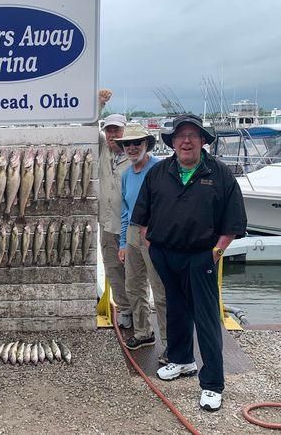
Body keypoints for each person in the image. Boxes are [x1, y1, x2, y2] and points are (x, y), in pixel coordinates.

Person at [132, 114, 247, 412]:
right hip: (165, 255)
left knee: (206, 319)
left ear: (202, 141)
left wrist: (217, 251)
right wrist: (150, 243)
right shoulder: (159, 173)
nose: (186, 141)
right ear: (172, 142)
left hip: (201, 257)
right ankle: (181, 360)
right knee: (176, 310)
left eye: (192, 135)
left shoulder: (219, 173)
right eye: (180, 135)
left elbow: (233, 221)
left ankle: (212, 384)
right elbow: (142, 214)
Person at [115, 125, 167, 362]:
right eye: (127, 144)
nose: (132, 147)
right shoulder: (126, 175)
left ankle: (170, 342)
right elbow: (125, 212)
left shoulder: (160, 168)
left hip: (156, 234)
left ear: (147, 144)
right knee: (133, 287)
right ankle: (143, 332)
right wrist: (123, 243)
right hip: (133, 234)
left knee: (161, 291)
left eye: (137, 142)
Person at [98, 112, 132, 328]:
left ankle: (140, 314)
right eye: (109, 130)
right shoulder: (102, 150)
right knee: (113, 270)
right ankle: (125, 311)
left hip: (131, 227)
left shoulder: (134, 154)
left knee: (134, 273)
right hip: (107, 224)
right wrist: (99, 104)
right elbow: (88, 122)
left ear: (124, 131)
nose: (112, 134)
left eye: (116, 130)